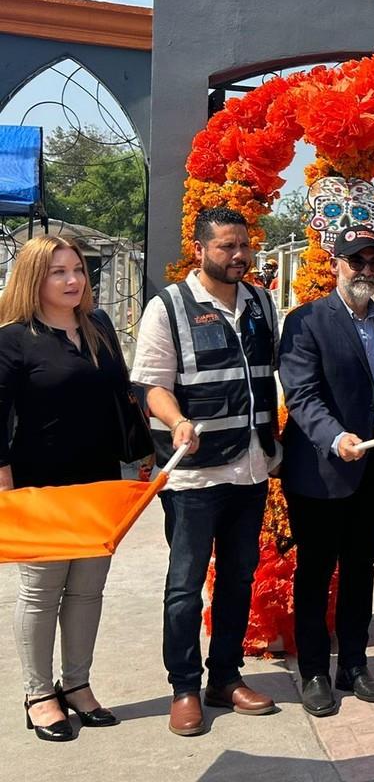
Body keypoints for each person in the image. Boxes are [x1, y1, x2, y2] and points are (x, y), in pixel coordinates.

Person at [132, 207, 280, 736]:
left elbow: (274, 375)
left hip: (252, 466)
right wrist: (175, 421)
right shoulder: (167, 307)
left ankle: (225, 677)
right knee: (185, 585)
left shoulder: (262, 303)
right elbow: (149, 385)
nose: (239, 256)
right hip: (195, 474)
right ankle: (184, 687)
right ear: (199, 249)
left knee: (239, 577)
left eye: (244, 246)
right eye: (226, 247)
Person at [0, 236, 144, 741]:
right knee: (41, 592)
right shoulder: (12, 338)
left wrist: (144, 450)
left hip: (100, 479)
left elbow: (123, 395)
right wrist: (5, 485)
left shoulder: (98, 326)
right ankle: (39, 694)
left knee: (87, 589)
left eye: (78, 270)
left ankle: (77, 685)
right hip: (40, 486)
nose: (72, 280)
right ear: (34, 279)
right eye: (58, 271)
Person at [278, 226, 374, 717]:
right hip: (321, 469)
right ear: (336, 265)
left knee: (360, 569)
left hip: (373, 466)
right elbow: (301, 394)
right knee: (315, 573)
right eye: (356, 262)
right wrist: (334, 436)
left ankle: (353, 663)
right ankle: (313, 671)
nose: (366, 271)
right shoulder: (306, 321)